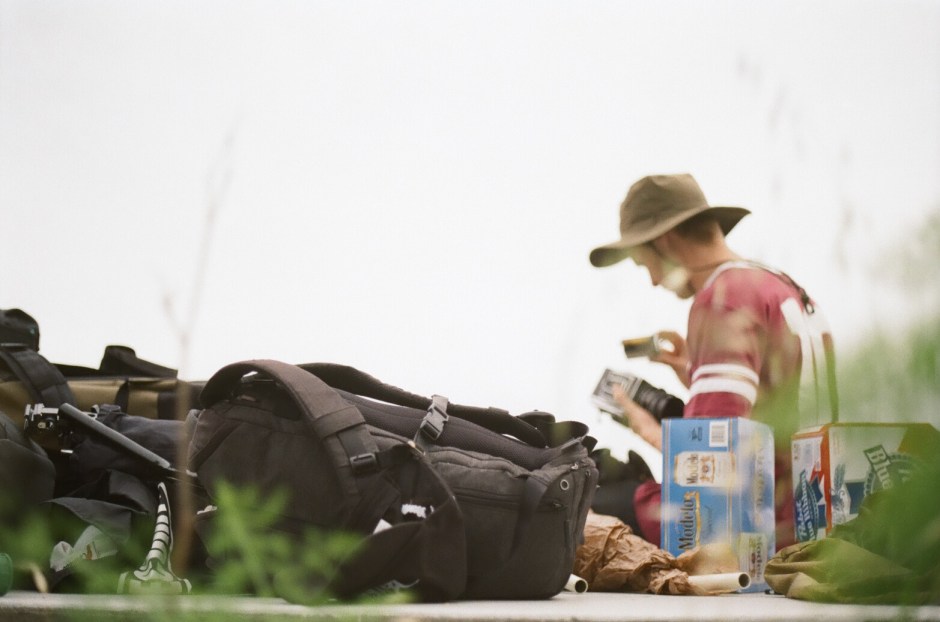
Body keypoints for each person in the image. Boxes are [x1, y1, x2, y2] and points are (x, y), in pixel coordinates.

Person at [589, 173, 838, 549]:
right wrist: (696, 375)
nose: (653, 281)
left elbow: (708, 470)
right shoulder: (784, 288)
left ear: (664, 240)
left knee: (586, 504)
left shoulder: (722, 299)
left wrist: (646, 428)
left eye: (644, 264)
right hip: (808, 519)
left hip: (756, 528)